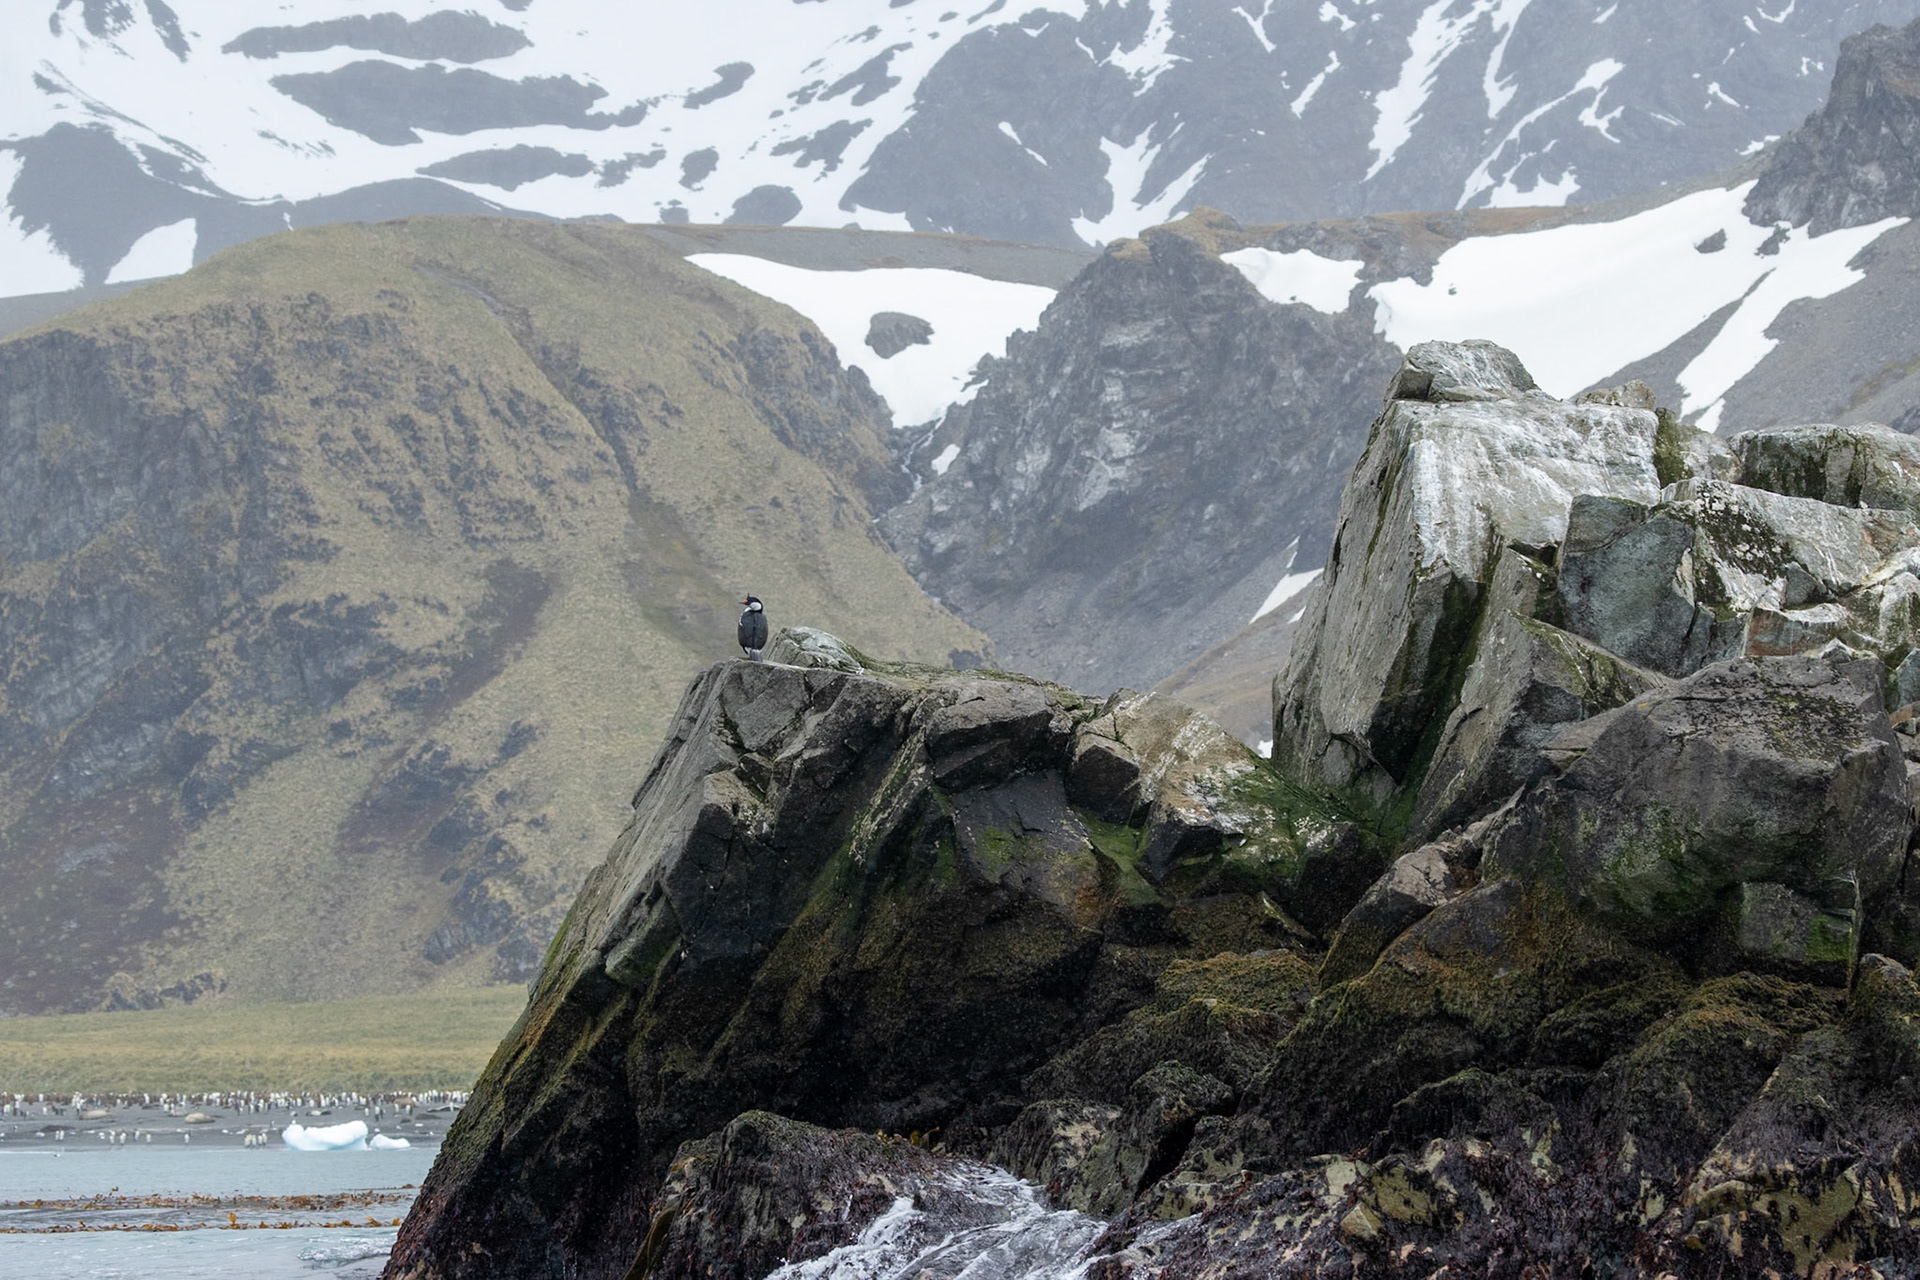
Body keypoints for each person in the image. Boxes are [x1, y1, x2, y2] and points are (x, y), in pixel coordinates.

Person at [737, 595, 768, 659]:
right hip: (758, 647)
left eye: (749, 602)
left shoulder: (744, 617)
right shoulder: (763, 618)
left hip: (748, 645)